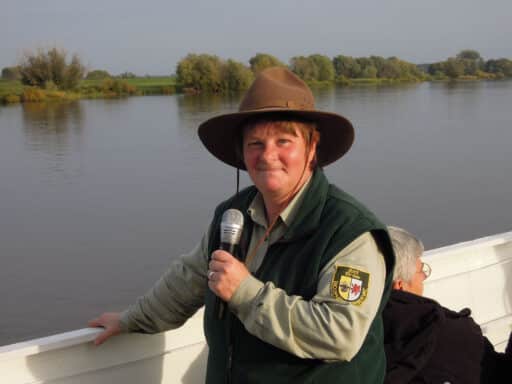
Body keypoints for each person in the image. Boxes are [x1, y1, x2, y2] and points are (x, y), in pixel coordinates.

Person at [88, 67, 395, 383]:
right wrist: (130, 320)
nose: (267, 155)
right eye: (255, 144)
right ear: (241, 152)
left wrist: (245, 293)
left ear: (312, 148)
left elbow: (339, 334)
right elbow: (188, 279)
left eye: (283, 141)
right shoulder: (232, 215)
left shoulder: (350, 232)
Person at [384, 226, 512, 384]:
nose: (424, 277)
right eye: (420, 271)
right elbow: (503, 375)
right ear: (400, 286)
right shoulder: (452, 335)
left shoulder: (355, 335)